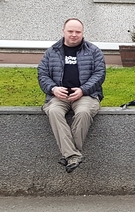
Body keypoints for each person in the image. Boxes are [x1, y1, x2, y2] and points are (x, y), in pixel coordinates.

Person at [37, 18, 106, 173]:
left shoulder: (93, 51)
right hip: (58, 97)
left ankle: (70, 155)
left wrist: (83, 90)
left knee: (83, 112)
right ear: (63, 32)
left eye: (78, 32)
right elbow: (42, 74)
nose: (74, 35)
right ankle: (73, 155)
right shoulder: (52, 51)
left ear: (82, 33)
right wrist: (53, 88)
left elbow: (100, 74)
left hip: (86, 95)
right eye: (70, 31)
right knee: (54, 111)